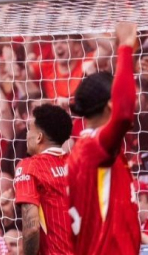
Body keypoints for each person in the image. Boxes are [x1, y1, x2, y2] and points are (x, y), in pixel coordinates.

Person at [67, 22, 140, 255]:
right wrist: (125, 47)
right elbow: (124, 115)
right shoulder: (93, 149)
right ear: (111, 105)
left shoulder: (88, 148)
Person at [13, 104, 74, 255]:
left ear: (39, 137)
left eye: (29, 129)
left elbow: (32, 228)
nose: (27, 135)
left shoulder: (30, 166)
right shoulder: (76, 164)